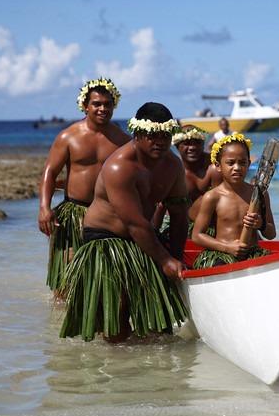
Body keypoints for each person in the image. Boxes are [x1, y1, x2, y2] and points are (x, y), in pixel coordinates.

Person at [59, 102, 189, 342]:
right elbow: (135, 224)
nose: (160, 142)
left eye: (165, 136)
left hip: (144, 237)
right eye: (152, 135)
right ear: (137, 134)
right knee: (116, 324)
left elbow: (180, 214)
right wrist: (165, 260)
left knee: (157, 329)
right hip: (106, 239)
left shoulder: (173, 165)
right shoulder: (120, 166)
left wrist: (177, 256)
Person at [38, 77, 130, 295]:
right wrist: (44, 208)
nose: (102, 109)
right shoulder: (68, 136)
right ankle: (59, 315)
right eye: (97, 104)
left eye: (107, 104)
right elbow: (50, 173)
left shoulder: (123, 140)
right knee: (65, 278)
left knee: (106, 279)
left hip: (107, 214)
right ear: (85, 106)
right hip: (74, 212)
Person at [191, 133, 276, 268]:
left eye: (242, 163)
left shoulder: (260, 195)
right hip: (222, 254)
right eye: (230, 163)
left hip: (252, 254)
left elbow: (271, 234)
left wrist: (261, 224)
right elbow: (197, 235)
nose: (237, 168)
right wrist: (227, 247)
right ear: (218, 166)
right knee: (220, 267)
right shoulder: (213, 197)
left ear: (249, 164)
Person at [171, 125, 222, 220]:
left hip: (218, 220)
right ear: (177, 146)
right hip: (187, 222)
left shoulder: (215, 165)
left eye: (197, 143)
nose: (192, 147)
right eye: (186, 143)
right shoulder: (174, 171)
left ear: (203, 145)